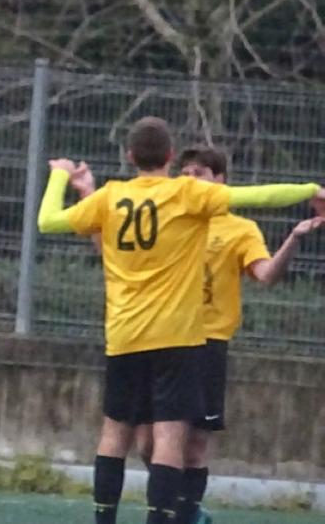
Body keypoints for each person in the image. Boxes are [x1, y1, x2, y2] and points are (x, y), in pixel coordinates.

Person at [37, 116, 324, 524]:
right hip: (176, 338)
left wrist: (59, 176)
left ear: (130, 156)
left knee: (114, 434)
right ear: (170, 157)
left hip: (124, 335)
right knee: (169, 437)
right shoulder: (185, 194)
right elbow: (258, 195)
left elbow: (47, 221)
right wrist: (310, 190)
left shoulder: (111, 196)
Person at [128, 146, 323, 524]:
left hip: (207, 344)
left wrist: (295, 237)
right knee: (148, 442)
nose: (190, 180)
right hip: (161, 337)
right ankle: (177, 504)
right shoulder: (168, 219)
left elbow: (265, 274)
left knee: (195, 443)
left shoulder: (239, 229)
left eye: (200, 173)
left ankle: (186, 514)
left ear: (220, 180)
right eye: (185, 173)